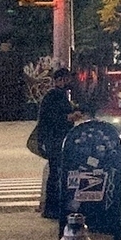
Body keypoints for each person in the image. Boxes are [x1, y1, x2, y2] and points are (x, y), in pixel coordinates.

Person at [34, 66, 84, 219]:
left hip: (54, 139)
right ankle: (52, 208)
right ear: (60, 80)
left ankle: (53, 207)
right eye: (67, 79)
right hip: (55, 139)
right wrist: (71, 117)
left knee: (57, 172)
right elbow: (55, 118)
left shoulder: (57, 95)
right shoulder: (55, 96)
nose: (69, 82)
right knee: (56, 173)